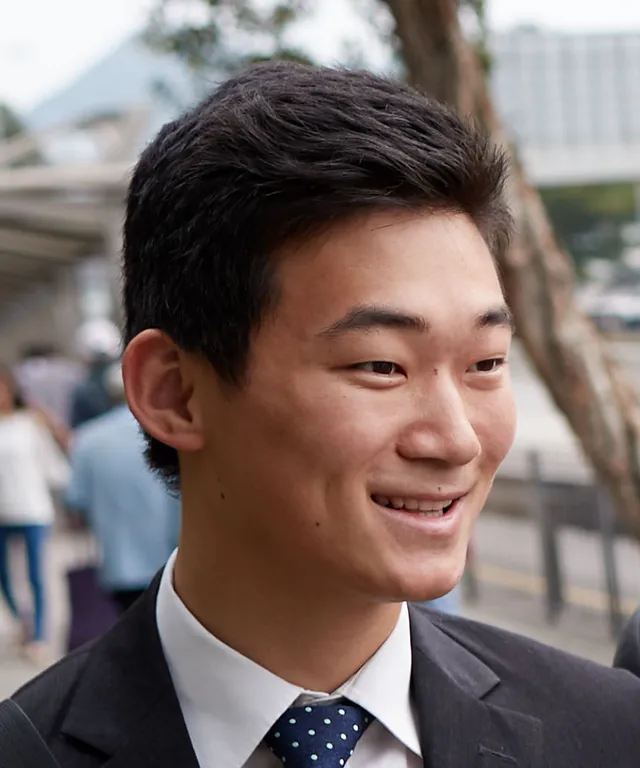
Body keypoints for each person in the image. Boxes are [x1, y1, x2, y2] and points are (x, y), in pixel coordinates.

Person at [8, 61, 640, 767]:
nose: (457, 440)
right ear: (173, 393)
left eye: (485, 363)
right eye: (380, 365)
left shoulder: (608, 731)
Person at [65, 363, 180, 613]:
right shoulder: (168, 428)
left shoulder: (86, 439)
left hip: (119, 566)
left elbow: (75, 501)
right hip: (174, 561)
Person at [0, 367, 69, 663]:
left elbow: (54, 468)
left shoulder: (29, 424)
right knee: (5, 576)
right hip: (3, 512)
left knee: (35, 574)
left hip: (32, 508)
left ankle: (39, 634)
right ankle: (24, 620)